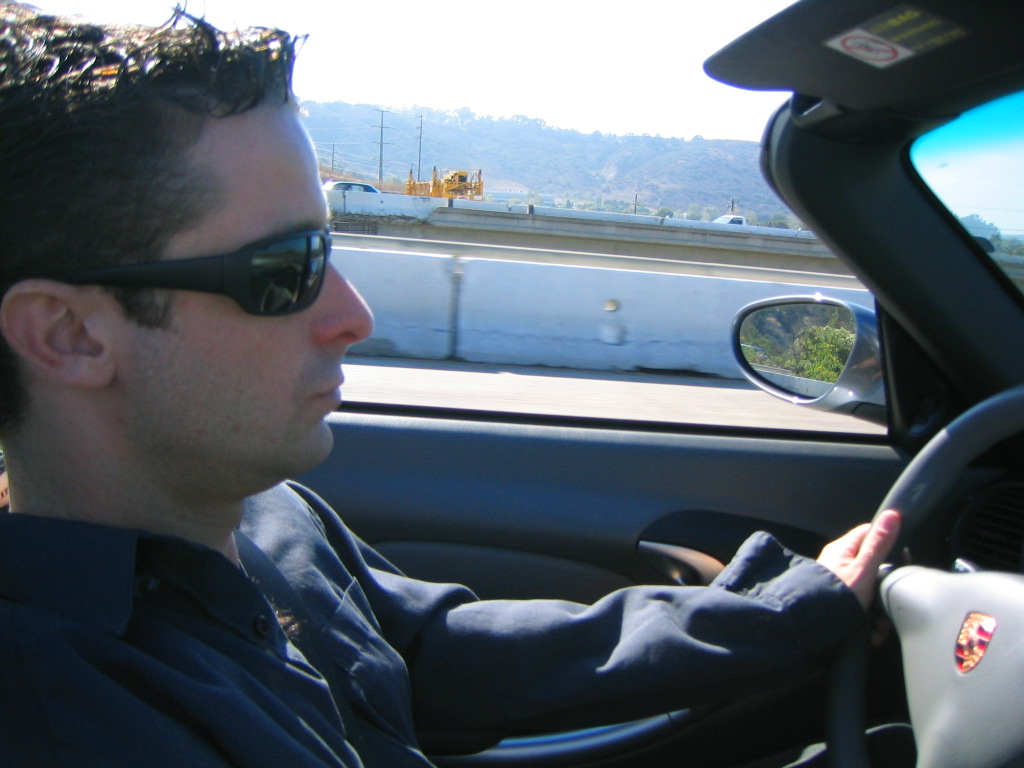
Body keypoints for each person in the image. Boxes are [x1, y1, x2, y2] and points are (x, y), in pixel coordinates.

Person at [0, 4, 902, 767]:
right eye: (285, 270)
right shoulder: (67, 718)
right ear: (70, 335)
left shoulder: (268, 515)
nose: (355, 314)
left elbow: (432, 654)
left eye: (332, 250)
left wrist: (776, 614)